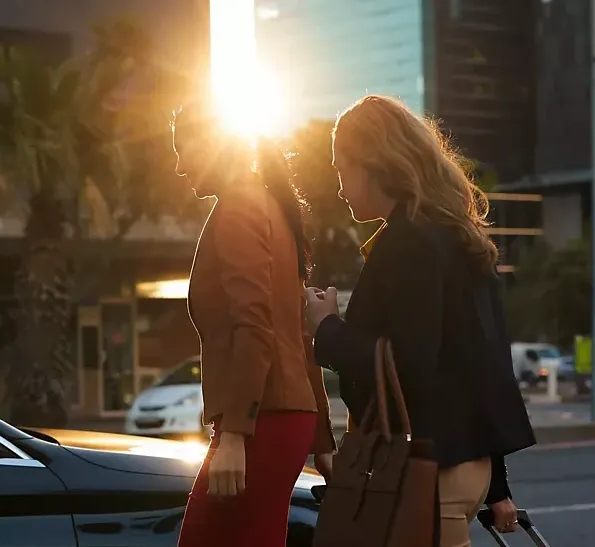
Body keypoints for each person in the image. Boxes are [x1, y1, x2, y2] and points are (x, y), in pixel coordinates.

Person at [302, 95, 536, 547]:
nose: (339, 186)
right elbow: (476, 364)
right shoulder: (452, 235)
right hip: (463, 467)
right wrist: (498, 485)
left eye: (340, 169)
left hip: (428, 471)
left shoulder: (409, 242)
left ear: (372, 162)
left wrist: (326, 328)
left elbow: (409, 364)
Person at [171, 102, 335, 547]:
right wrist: (321, 438)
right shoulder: (267, 206)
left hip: (262, 421)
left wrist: (234, 435)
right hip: (280, 418)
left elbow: (256, 327)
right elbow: (297, 333)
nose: (180, 166)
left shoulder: (240, 209)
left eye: (183, 150)